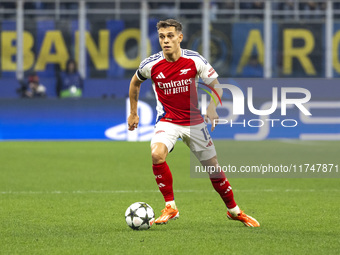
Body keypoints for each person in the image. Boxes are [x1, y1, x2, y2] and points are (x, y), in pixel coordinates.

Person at [128, 19, 260, 227]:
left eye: (170, 36)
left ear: (180, 37)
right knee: (156, 154)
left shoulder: (194, 60)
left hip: (193, 122)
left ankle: (234, 210)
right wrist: (133, 113)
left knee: (214, 169)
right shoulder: (151, 65)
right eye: (162, 37)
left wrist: (212, 106)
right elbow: (135, 82)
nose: (166, 41)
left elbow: (216, 85)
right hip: (167, 121)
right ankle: (170, 206)